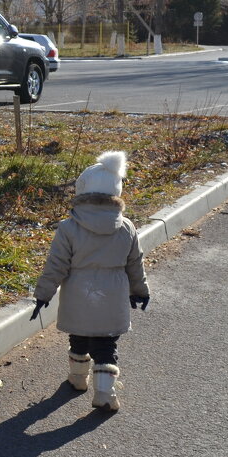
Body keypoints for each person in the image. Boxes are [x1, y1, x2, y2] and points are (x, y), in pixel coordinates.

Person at [30, 150, 150, 410]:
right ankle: (105, 394)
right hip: (112, 297)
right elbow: (135, 262)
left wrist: (43, 295)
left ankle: (77, 378)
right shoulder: (126, 227)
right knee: (107, 345)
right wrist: (140, 290)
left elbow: (56, 265)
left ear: (82, 193)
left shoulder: (69, 227)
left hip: (78, 295)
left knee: (79, 337)